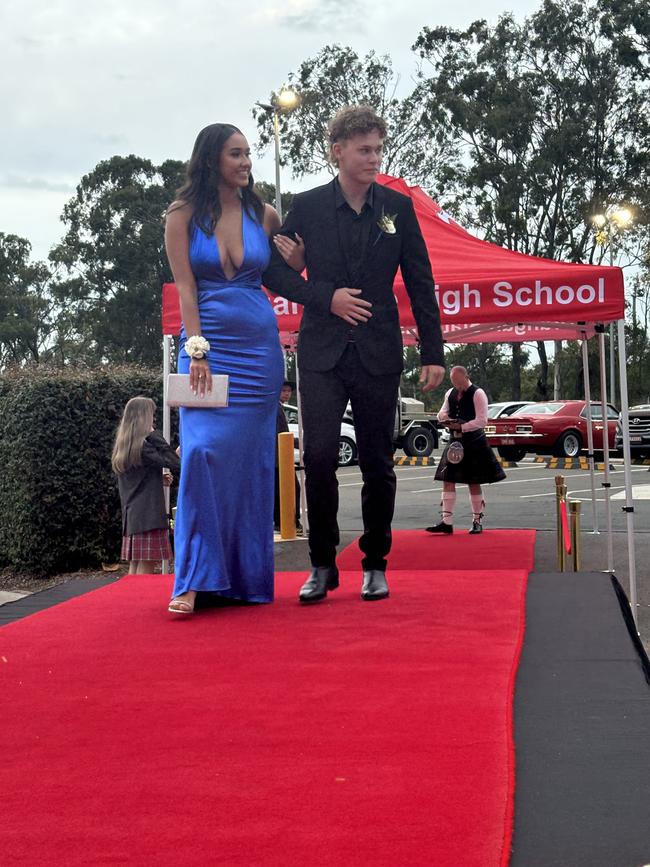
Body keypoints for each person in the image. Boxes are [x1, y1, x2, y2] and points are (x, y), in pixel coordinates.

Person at [264, 104, 445, 604]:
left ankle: (375, 563)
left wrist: (433, 352)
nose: (373, 158)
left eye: (378, 149)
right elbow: (272, 272)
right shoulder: (308, 205)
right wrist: (326, 296)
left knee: (377, 463)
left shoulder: (397, 208)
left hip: (379, 350)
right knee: (318, 458)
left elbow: (420, 280)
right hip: (320, 350)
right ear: (337, 151)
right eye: (364, 149)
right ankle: (322, 563)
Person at [164, 123, 284, 615]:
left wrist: (297, 261)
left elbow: (282, 271)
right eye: (236, 154)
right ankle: (192, 578)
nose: (246, 162)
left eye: (249, 153)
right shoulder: (182, 215)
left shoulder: (265, 214)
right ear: (212, 158)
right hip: (206, 350)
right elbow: (187, 290)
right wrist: (197, 350)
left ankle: (240, 578)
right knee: (202, 454)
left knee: (250, 466)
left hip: (260, 351)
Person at [426, 366, 506, 535]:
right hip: (455, 440)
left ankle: (477, 521)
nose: (458, 387)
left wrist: (462, 426)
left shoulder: (478, 393)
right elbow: (442, 412)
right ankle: (446, 522)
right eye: (454, 383)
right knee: (447, 480)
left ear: (466, 377)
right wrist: (444, 418)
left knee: (473, 481)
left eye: (460, 383)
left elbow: (482, 421)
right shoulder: (450, 393)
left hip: (474, 441)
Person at [112, 396, 180, 575]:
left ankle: (129, 601)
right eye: (151, 415)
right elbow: (175, 463)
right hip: (149, 515)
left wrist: (158, 477)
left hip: (133, 515)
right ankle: (138, 602)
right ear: (143, 418)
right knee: (146, 568)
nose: (154, 420)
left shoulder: (126, 446)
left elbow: (139, 478)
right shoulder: (144, 446)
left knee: (135, 567)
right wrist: (154, 435)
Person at [274, 380, 302, 533]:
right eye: (283, 390)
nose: (286, 393)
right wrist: (299, 443)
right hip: (279, 458)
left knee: (280, 491)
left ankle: (283, 522)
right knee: (291, 489)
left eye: (288, 391)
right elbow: (280, 434)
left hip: (279, 456)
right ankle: (291, 522)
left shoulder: (279, 408)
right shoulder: (276, 409)